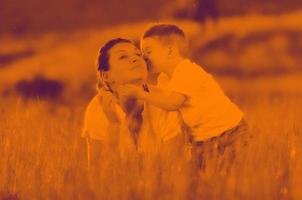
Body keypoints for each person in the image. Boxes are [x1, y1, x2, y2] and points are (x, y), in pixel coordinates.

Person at [120, 24, 252, 175]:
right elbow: (160, 95)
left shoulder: (187, 71)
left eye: (148, 52)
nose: (144, 58)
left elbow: (172, 103)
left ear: (170, 51)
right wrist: (139, 86)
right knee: (198, 178)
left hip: (230, 133)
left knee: (231, 176)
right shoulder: (164, 78)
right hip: (202, 141)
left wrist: (140, 93)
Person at [82, 38, 187, 199]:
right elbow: (97, 178)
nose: (135, 58)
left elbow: (174, 168)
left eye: (138, 54)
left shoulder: (164, 100)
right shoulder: (98, 109)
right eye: (123, 57)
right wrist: (114, 126)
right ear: (106, 75)